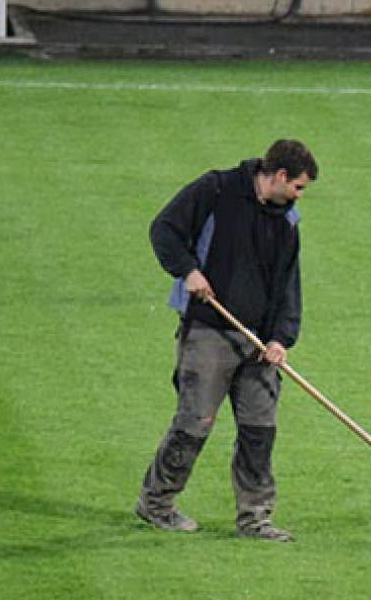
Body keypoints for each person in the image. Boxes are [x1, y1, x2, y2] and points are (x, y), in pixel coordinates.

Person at [136, 139, 318, 542]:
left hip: (258, 343)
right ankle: (157, 504)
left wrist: (280, 339)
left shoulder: (287, 221)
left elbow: (289, 284)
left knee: (259, 429)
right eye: (299, 187)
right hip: (207, 330)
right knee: (194, 423)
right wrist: (187, 270)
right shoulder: (216, 190)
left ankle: (255, 519)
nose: (300, 196)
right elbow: (164, 229)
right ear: (280, 176)